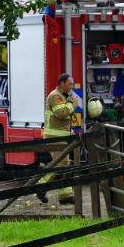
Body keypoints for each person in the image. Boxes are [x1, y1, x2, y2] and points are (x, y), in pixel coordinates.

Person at [40, 73, 81, 203]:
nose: (71, 86)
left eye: (72, 84)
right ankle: (40, 187)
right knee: (60, 165)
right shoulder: (55, 96)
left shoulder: (63, 96)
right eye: (69, 84)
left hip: (62, 137)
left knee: (64, 165)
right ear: (62, 84)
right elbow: (61, 113)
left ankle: (65, 196)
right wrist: (72, 104)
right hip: (54, 137)